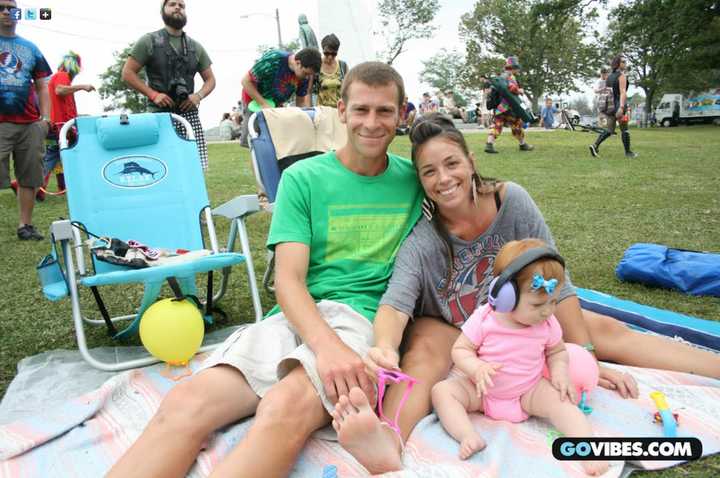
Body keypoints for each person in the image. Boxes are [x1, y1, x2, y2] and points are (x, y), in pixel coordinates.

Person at [331, 113, 720, 474]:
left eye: (451, 164)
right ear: (420, 180)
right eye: (429, 172)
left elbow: (560, 281)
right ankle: (387, 439)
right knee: (427, 351)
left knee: (605, 329)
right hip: (456, 328)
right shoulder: (422, 238)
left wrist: (583, 356)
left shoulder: (510, 201)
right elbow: (396, 304)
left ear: (469, 160)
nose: (443, 178)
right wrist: (384, 345)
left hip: (523, 317)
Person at [107, 61, 423, 478]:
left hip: (363, 319)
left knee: (283, 407)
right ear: (341, 111)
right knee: (186, 403)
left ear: (402, 115)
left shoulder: (417, 180)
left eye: (385, 111)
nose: (372, 122)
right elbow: (288, 282)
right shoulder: (303, 179)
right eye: (361, 110)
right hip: (296, 316)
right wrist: (325, 348)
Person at [431, 238, 608, 475]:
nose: (547, 311)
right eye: (537, 304)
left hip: (528, 391)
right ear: (506, 295)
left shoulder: (547, 323)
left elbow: (556, 351)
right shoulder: (485, 318)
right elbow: (461, 350)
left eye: (553, 302)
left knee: (563, 404)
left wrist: (560, 373)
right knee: (442, 392)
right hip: (482, 391)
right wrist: (476, 368)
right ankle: (467, 435)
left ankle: (586, 448)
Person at [121, 0, 215, 170]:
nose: (178, 7)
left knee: (194, 167)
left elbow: (211, 80)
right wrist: (153, 95)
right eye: (172, 4)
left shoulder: (195, 46)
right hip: (159, 114)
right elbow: (127, 73)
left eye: (182, 5)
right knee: (161, 166)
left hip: (189, 114)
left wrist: (197, 96)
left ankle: (194, 197)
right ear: (162, 10)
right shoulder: (148, 41)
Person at [0, 0, 51, 241]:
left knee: (29, 176)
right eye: (0, 7)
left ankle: (26, 226)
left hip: (30, 123)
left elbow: (42, 86)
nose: (6, 12)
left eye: (11, 7)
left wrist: (46, 119)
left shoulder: (31, 48)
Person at [239, 47, 321, 147]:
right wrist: (263, 103)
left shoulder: (304, 77)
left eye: (310, 75)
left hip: (275, 105)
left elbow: (300, 102)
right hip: (255, 101)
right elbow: (245, 81)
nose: (307, 77)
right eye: (306, 73)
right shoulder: (274, 59)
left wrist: (302, 119)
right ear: (298, 63)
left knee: (274, 141)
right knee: (254, 140)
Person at [39, 51, 94, 194]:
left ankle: (39, 186)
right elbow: (59, 91)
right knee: (61, 155)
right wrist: (82, 87)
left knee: (56, 156)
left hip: (62, 125)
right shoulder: (61, 76)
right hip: (60, 126)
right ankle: (32, 186)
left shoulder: (61, 78)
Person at [589, 55, 637, 159]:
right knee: (624, 129)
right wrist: (622, 107)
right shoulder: (622, 76)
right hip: (619, 105)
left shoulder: (609, 76)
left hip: (609, 106)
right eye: (623, 62)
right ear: (618, 64)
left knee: (609, 130)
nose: (625, 63)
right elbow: (623, 92)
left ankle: (595, 145)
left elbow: (607, 92)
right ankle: (628, 152)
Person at [485, 56, 533, 154]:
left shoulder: (501, 76)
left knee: (497, 125)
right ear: (513, 68)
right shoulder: (510, 77)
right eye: (517, 68)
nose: (518, 70)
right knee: (517, 126)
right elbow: (511, 88)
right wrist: (520, 90)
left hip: (500, 107)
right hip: (510, 107)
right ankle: (523, 144)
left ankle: (489, 144)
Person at [315, 34, 348, 108]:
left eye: (333, 54)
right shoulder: (317, 66)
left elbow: (348, 90)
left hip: (339, 110)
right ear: (322, 50)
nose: (330, 57)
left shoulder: (343, 66)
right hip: (322, 111)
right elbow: (309, 92)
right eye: (326, 53)